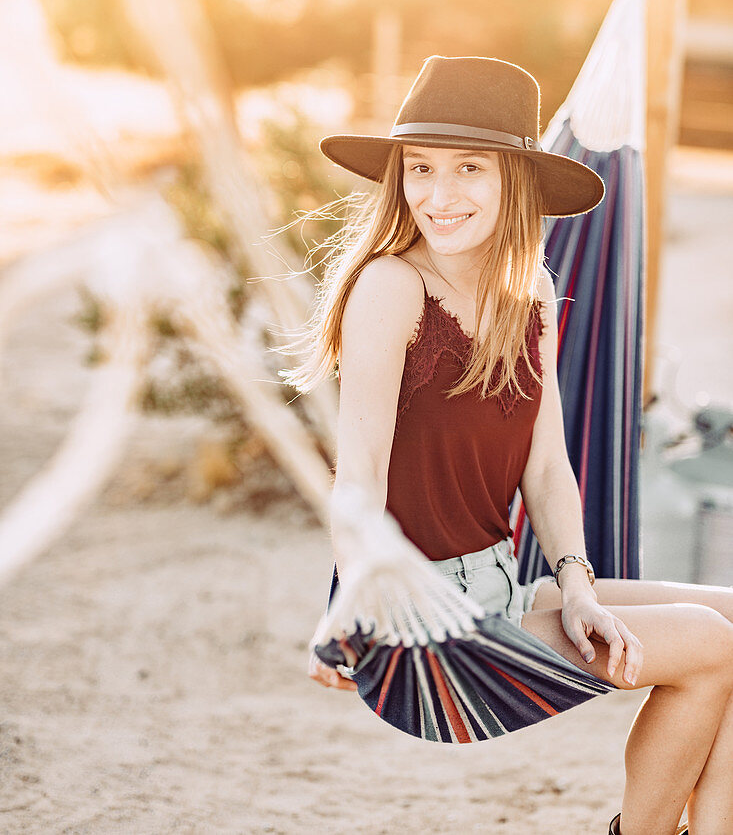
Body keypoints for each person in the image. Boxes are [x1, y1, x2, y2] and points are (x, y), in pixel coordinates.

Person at [286, 56, 733, 835]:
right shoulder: (392, 287)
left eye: (468, 169)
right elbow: (356, 476)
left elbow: (547, 468)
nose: (437, 194)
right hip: (423, 631)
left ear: (514, 182)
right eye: (419, 168)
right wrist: (345, 607)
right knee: (709, 646)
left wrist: (581, 587)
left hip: (505, 593)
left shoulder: (528, 301)